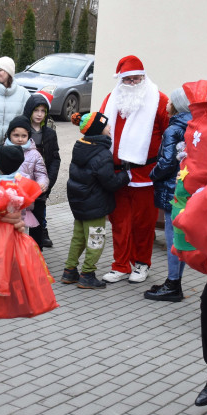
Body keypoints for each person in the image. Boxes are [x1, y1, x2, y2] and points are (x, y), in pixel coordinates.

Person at [99, 55, 169, 284]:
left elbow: (169, 134)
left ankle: (141, 263)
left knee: (143, 224)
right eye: (127, 79)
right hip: (117, 173)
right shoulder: (111, 99)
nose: (131, 83)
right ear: (120, 80)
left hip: (145, 175)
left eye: (136, 78)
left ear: (143, 76)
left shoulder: (159, 100)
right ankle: (120, 264)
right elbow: (98, 128)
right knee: (120, 223)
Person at [62, 112, 129, 290]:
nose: (110, 128)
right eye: (107, 126)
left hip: (79, 203)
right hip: (95, 206)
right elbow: (111, 183)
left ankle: (69, 271)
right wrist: (125, 174)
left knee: (78, 238)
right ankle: (87, 274)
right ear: (98, 131)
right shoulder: (102, 154)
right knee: (96, 239)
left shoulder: (81, 148)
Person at [144, 87, 192, 302]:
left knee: (172, 235)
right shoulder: (193, 124)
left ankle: (173, 283)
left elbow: (166, 161)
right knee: (179, 236)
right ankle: (175, 281)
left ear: (176, 105)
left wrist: (152, 175)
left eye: (170, 101)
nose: (166, 104)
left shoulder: (173, 129)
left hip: (171, 188)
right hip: (186, 185)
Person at [23, 92, 61, 249]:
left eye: (43, 111)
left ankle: (36, 254)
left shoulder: (49, 133)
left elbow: (55, 159)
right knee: (20, 221)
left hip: (41, 185)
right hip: (22, 183)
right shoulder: (21, 130)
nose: (39, 114)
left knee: (38, 221)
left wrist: (49, 182)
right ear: (29, 110)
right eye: (36, 110)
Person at [0, 56, 30, 151]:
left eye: (0, 70)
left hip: (13, 145)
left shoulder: (24, 94)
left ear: (9, 71)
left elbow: (27, 117)